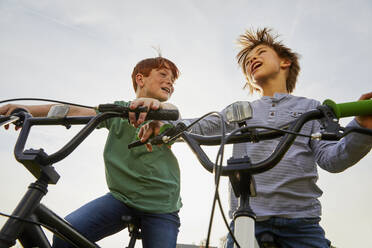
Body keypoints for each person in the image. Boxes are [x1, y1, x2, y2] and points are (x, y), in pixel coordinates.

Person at [134, 28, 372, 248]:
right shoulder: (239, 110)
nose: (252, 60)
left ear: (284, 62)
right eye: (248, 62)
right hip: (246, 219)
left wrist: (362, 127)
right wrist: (165, 125)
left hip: (301, 222)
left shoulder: (310, 108)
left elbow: (333, 159)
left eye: (260, 53)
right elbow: (202, 126)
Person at [0, 56, 182, 248]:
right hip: (121, 199)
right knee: (64, 237)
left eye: (172, 80)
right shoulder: (118, 110)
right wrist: (26, 110)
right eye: (163, 74)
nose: (169, 81)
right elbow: (75, 111)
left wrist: (159, 108)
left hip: (162, 207)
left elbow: (174, 111)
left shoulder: (167, 116)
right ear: (140, 78)